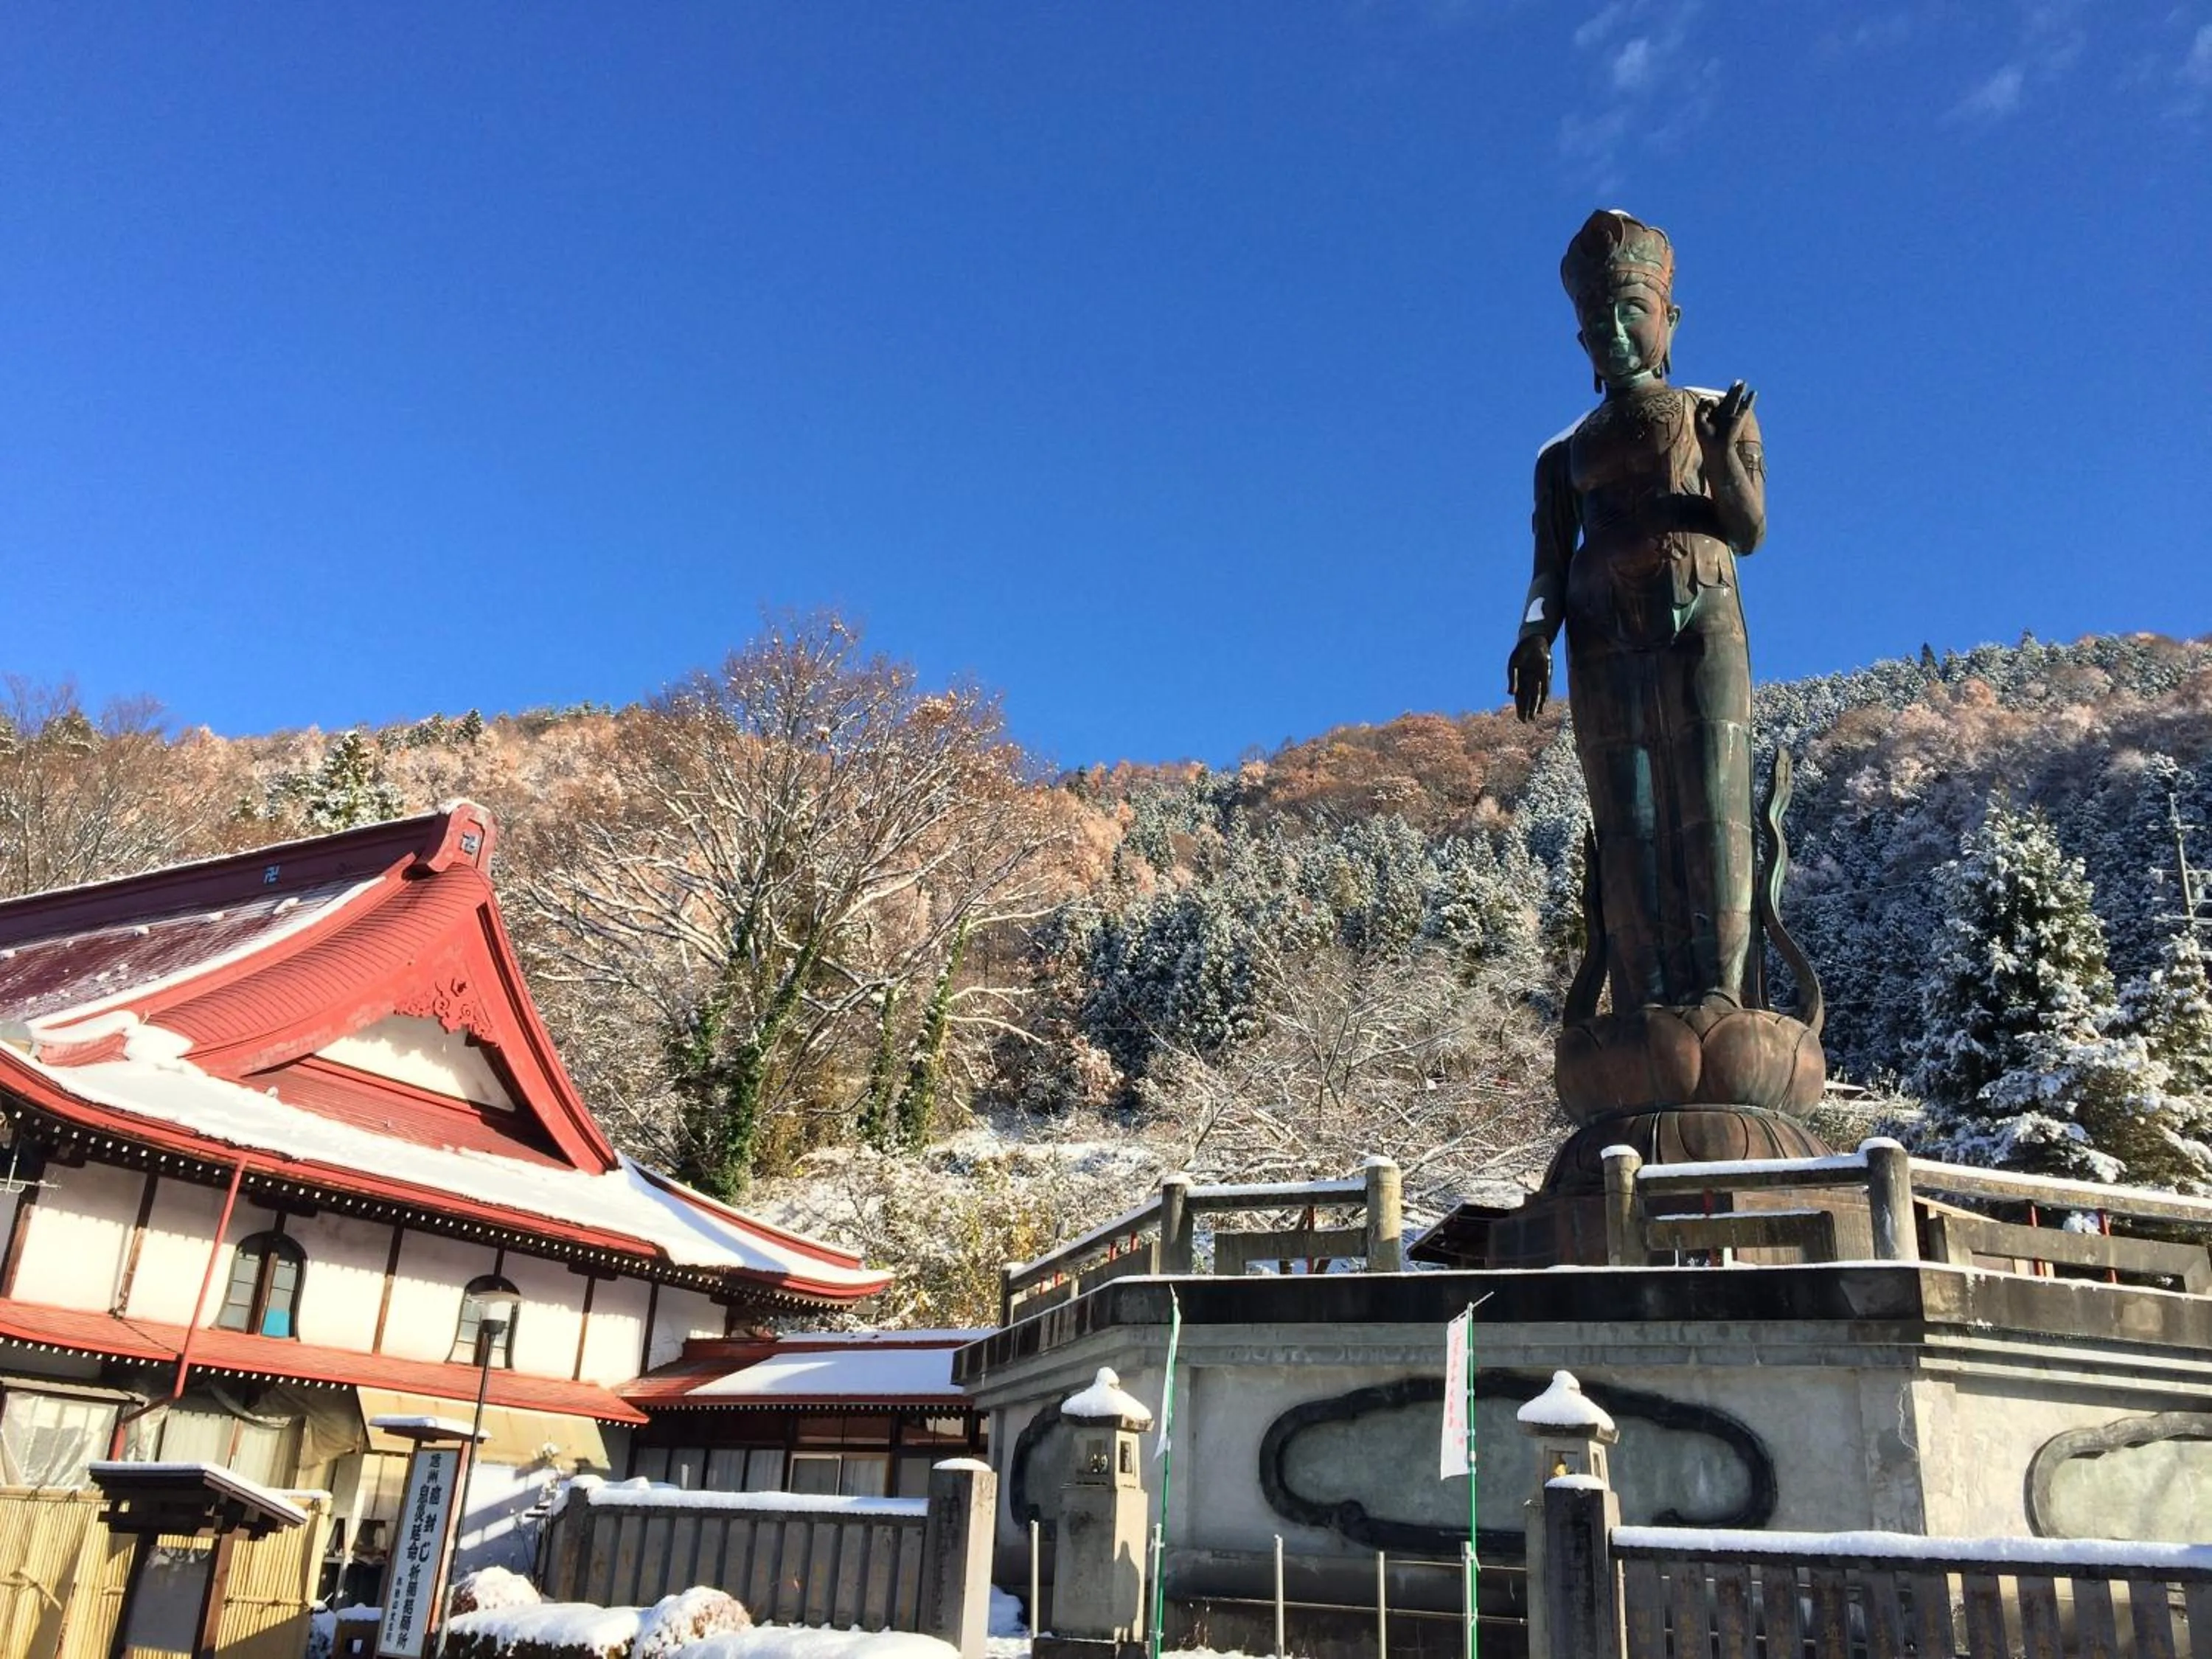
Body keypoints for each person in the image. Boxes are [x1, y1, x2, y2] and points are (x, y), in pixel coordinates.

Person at [1506, 209, 1767, 1016]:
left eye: (1631, 312)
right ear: (1579, 340)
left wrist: (1723, 460)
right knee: (1629, 812)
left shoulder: (1713, 412)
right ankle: (1645, 1000)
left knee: (1711, 802)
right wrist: (1532, 631)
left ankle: (1720, 993)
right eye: (1596, 321)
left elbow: (1749, 531)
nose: (1614, 332)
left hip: (1700, 610)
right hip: (1600, 631)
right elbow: (1548, 563)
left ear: (1670, 318)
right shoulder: (1562, 454)